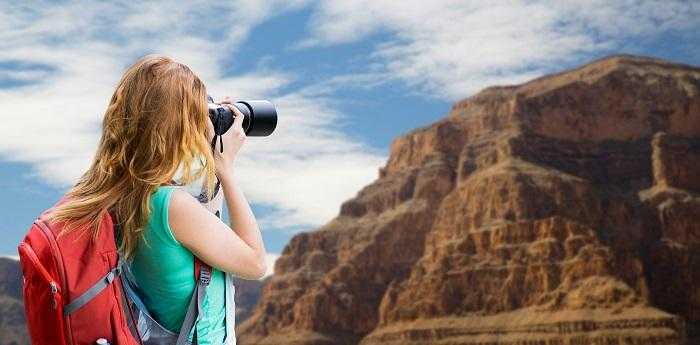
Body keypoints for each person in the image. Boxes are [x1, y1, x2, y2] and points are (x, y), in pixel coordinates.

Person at [45, 54, 267, 345]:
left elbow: (206, 244)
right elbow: (255, 262)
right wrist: (226, 169)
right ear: (175, 126)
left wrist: (213, 165)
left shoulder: (120, 194)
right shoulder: (173, 206)